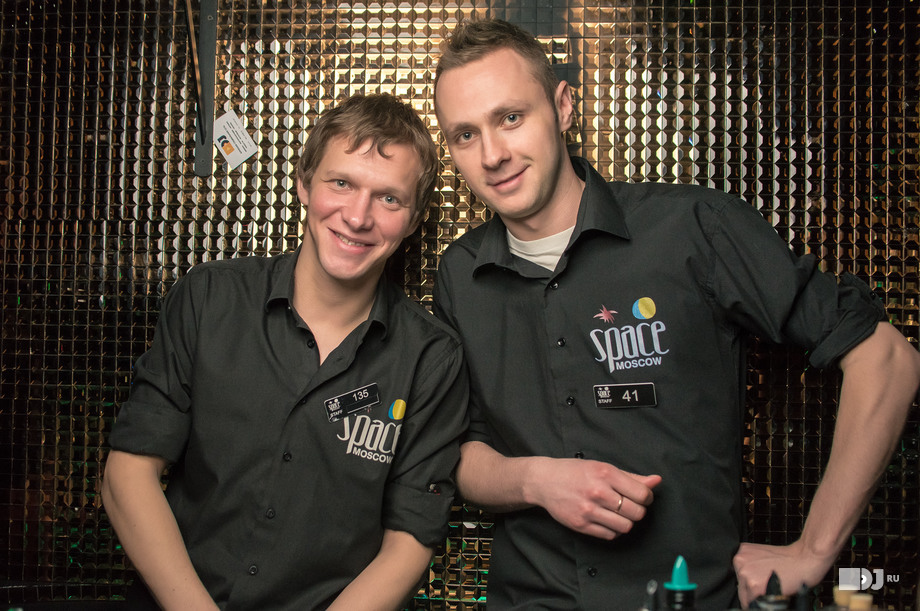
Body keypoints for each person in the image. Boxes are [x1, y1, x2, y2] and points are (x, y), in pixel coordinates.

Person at [431, 18, 920, 610]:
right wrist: (538, 481)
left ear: (562, 107)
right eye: (465, 134)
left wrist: (814, 551)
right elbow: (461, 454)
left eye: (511, 117)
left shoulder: (692, 229)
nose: (493, 154)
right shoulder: (459, 275)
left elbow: (885, 358)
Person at [101, 93, 468, 610]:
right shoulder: (210, 298)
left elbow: (410, 539)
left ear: (412, 220)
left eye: (389, 198)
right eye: (341, 183)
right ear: (304, 183)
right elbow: (128, 474)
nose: (357, 216)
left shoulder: (432, 358)